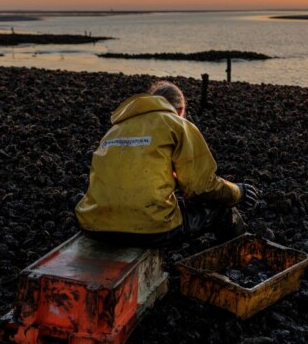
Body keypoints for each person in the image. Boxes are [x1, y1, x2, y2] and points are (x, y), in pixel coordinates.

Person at [75, 80, 259, 248]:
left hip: (94, 226)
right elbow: (200, 187)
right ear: (179, 110)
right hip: (151, 230)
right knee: (223, 212)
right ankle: (239, 259)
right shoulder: (176, 124)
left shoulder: (114, 130)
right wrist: (238, 192)